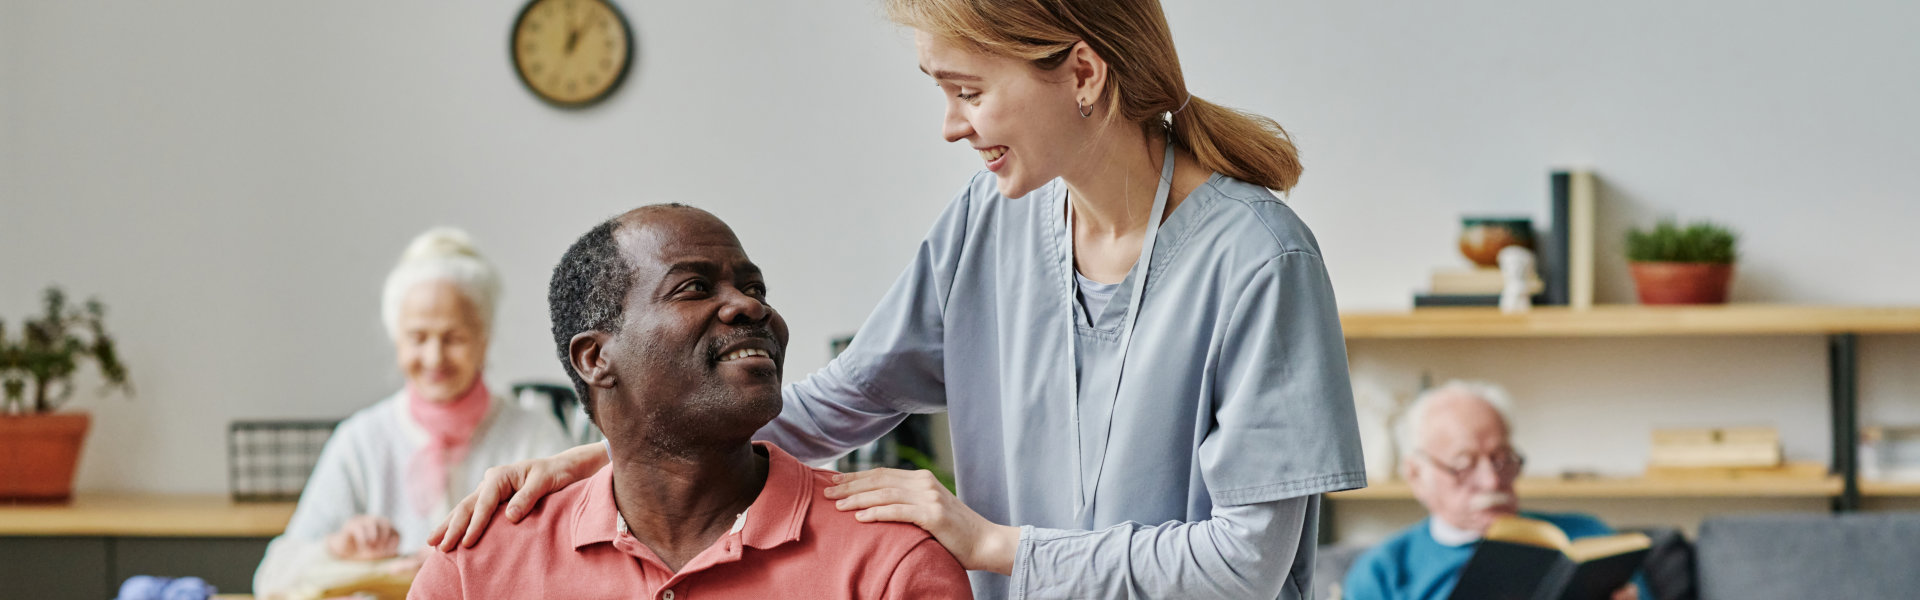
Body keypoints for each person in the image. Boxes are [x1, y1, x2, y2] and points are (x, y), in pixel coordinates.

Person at [432, 1, 1366, 597]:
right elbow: (842, 400)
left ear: (1082, 74)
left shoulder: (1258, 260)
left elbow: (1248, 564)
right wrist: (610, 457)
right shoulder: (991, 222)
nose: (951, 126)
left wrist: (990, 544)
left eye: (968, 90)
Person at [409, 205, 970, 598]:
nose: (750, 308)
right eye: (694, 288)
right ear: (594, 359)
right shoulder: (475, 566)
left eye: (755, 289)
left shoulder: (889, 561)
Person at [252, 228, 573, 598]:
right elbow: (271, 580)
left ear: (483, 340)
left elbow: (572, 566)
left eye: (453, 338)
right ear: (396, 339)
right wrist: (337, 549)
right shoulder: (361, 440)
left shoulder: (535, 437)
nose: (434, 358)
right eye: (418, 338)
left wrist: (463, 567)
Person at [1340, 381, 1643, 600]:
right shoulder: (1383, 571)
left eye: (1501, 460)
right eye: (1463, 463)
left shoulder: (1587, 537)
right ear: (1417, 475)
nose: (1491, 481)